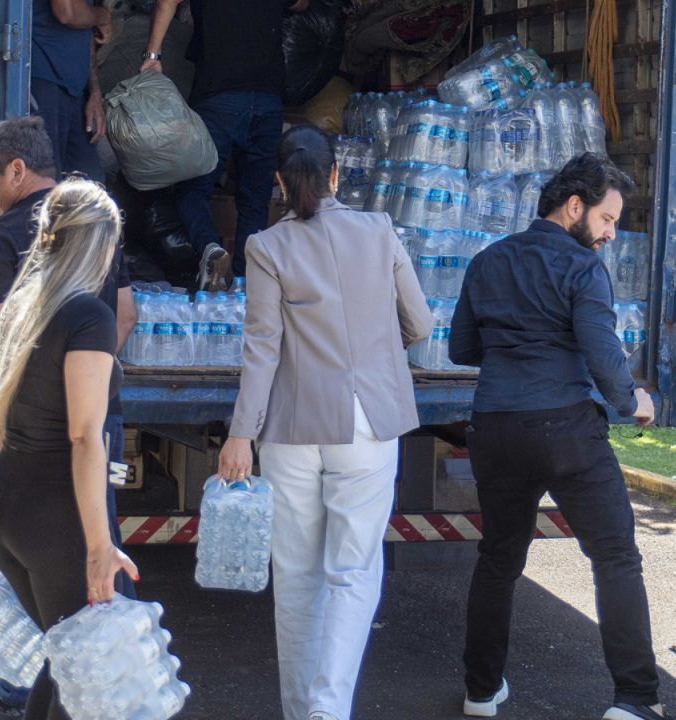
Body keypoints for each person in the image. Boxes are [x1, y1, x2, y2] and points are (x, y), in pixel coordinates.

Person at [217, 125, 433, 720]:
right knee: (353, 573)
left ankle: (300, 710)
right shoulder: (380, 230)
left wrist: (241, 433)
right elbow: (419, 324)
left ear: (281, 183)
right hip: (368, 424)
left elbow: (262, 348)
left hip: (290, 427)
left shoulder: (264, 247)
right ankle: (327, 710)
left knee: (295, 574)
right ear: (337, 174)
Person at [450, 153, 663, 720]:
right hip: (566, 429)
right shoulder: (583, 268)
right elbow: (601, 350)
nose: (611, 234)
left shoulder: (487, 260)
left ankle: (481, 691)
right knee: (615, 555)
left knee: (498, 558)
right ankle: (635, 700)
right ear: (575, 207)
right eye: (608, 219)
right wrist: (631, 402)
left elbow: (461, 349)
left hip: (495, 428)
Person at [0, 116, 136, 719]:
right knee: (97, 666)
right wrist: (100, 544)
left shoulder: (26, 305)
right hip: (60, 515)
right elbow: (83, 436)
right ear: (97, 241)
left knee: (66, 661)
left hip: (8, 511)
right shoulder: (88, 318)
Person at [141, 0, 308, 291]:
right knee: (254, 201)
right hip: (267, 97)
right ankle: (244, 285)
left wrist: (153, 55)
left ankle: (210, 248)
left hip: (218, 96)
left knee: (192, 187)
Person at [31, 0, 113, 181]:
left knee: (89, 188)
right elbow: (67, 12)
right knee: (45, 185)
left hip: (74, 88)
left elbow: (85, 31)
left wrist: (94, 91)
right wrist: (104, 16)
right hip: (43, 79)